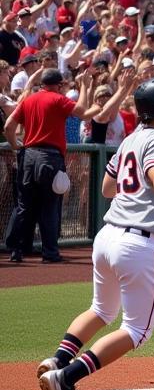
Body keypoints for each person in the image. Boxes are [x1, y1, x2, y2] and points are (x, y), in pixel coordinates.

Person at [36, 78, 154, 390]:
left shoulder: (132, 139)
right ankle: (66, 377)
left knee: (102, 309)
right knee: (137, 331)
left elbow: (107, 188)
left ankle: (58, 358)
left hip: (109, 236)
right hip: (140, 243)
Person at [4, 68, 93, 263]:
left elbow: (8, 126)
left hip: (28, 155)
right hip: (50, 157)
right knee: (49, 206)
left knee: (24, 205)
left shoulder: (29, 100)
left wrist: (14, 146)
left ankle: (16, 250)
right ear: (59, 85)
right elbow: (83, 112)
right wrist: (85, 86)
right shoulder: (57, 99)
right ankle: (50, 252)